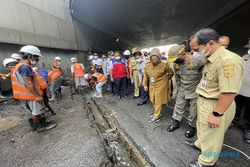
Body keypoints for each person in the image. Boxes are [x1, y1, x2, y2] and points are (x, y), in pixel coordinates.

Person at [187, 28, 244, 167]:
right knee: (203, 129)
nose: (195, 53)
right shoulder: (210, 57)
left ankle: (206, 161)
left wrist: (216, 114)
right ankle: (200, 145)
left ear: (210, 43)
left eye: (196, 49)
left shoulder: (228, 61)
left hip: (216, 104)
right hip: (205, 100)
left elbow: (229, 92)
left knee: (212, 136)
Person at [13, 45, 56, 131]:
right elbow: (28, 82)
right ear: (30, 56)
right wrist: (37, 95)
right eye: (36, 57)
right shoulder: (25, 67)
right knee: (36, 112)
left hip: (30, 94)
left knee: (36, 111)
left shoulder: (20, 66)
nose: (37, 59)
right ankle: (41, 126)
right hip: (32, 94)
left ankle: (35, 124)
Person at [166, 45, 204, 138]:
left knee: (193, 111)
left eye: (175, 58)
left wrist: (202, 90)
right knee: (178, 106)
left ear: (182, 54)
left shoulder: (197, 61)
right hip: (183, 88)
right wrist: (179, 90)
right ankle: (176, 122)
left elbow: (204, 76)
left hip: (195, 89)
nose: (174, 61)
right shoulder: (176, 64)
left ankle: (192, 127)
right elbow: (177, 78)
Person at [143, 48, 174, 123]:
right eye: (152, 58)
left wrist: (165, 80)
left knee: (158, 100)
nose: (154, 60)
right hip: (152, 85)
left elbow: (171, 73)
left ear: (159, 57)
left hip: (161, 86)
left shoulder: (164, 64)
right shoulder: (147, 65)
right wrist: (144, 85)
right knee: (153, 99)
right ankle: (157, 112)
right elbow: (145, 75)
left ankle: (156, 116)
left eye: (156, 58)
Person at [231, 39, 250, 144]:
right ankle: (233, 121)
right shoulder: (244, 58)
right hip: (240, 89)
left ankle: (248, 130)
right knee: (237, 107)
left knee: (249, 111)